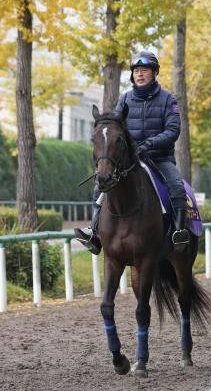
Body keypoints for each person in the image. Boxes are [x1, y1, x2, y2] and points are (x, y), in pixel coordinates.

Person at [75, 51, 189, 254]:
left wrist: (148, 144)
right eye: (136, 71)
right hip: (131, 160)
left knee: (177, 186)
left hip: (159, 158)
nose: (140, 74)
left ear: (154, 73)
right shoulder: (125, 99)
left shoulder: (168, 100)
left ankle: (179, 232)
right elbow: (118, 128)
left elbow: (173, 130)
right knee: (100, 185)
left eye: (144, 70)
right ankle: (94, 232)